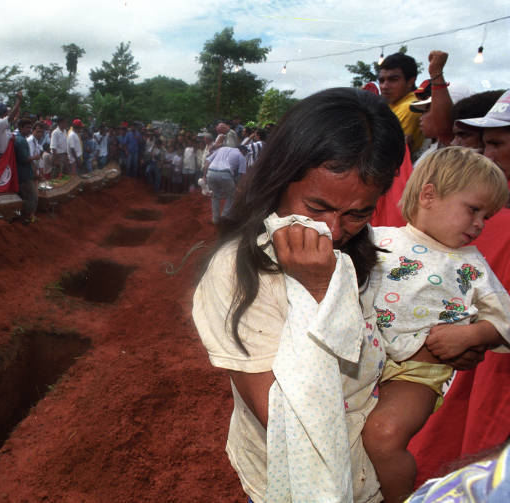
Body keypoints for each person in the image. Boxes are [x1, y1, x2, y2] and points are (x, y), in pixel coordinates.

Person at [193, 87, 406, 503]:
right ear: (280, 177)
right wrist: (317, 291)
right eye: (317, 207)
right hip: (293, 482)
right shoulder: (238, 274)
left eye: (358, 214)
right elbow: (287, 423)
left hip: (368, 473)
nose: (334, 230)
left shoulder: (367, 250)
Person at [363, 147, 510, 503]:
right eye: (473, 210)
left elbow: (505, 319)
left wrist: (473, 334)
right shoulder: (376, 239)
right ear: (429, 195)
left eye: (486, 217)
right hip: (363, 362)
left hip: (415, 373)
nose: (479, 224)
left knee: (383, 435)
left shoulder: (471, 264)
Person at [379, 53, 425, 157]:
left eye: (393, 80)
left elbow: (380, 150)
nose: (384, 86)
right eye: (381, 80)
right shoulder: (393, 104)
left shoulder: (409, 107)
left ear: (410, 81)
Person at [201, 145, 246, 224]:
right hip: (225, 174)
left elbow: (207, 162)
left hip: (211, 172)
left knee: (215, 196)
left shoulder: (222, 149)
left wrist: (204, 177)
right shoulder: (241, 155)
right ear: (243, 151)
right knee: (232, 195)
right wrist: (239, 187)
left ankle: (215, 219)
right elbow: (242, 174)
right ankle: (225, 216)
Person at [14, 118, 38, 224]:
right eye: (27, 127)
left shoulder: (19, 138)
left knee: (25, 197)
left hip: (21, 174)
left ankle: (25, 218)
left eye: (30, 127)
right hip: (24, 175)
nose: (29, 130)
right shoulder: (21, 141)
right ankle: (27, 218)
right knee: (31, 197)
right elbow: (24, 159)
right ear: (20, 128)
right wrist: (35, 157)